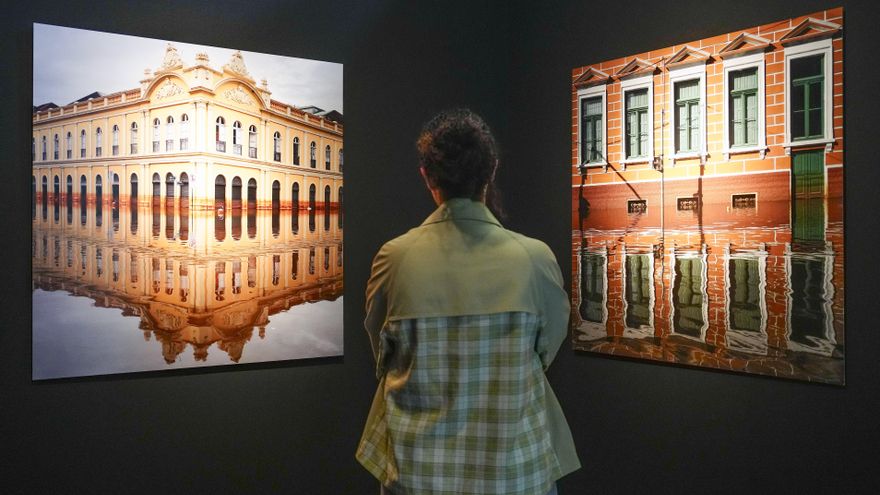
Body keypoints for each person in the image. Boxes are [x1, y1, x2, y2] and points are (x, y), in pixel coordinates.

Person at [357, 109, 580, 495]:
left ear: (427, 176)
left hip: (418, 477)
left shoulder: (394, 259)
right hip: (515, 475)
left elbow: (382, 355)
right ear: (491, 170)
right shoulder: (534, 258)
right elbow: (546, 351)